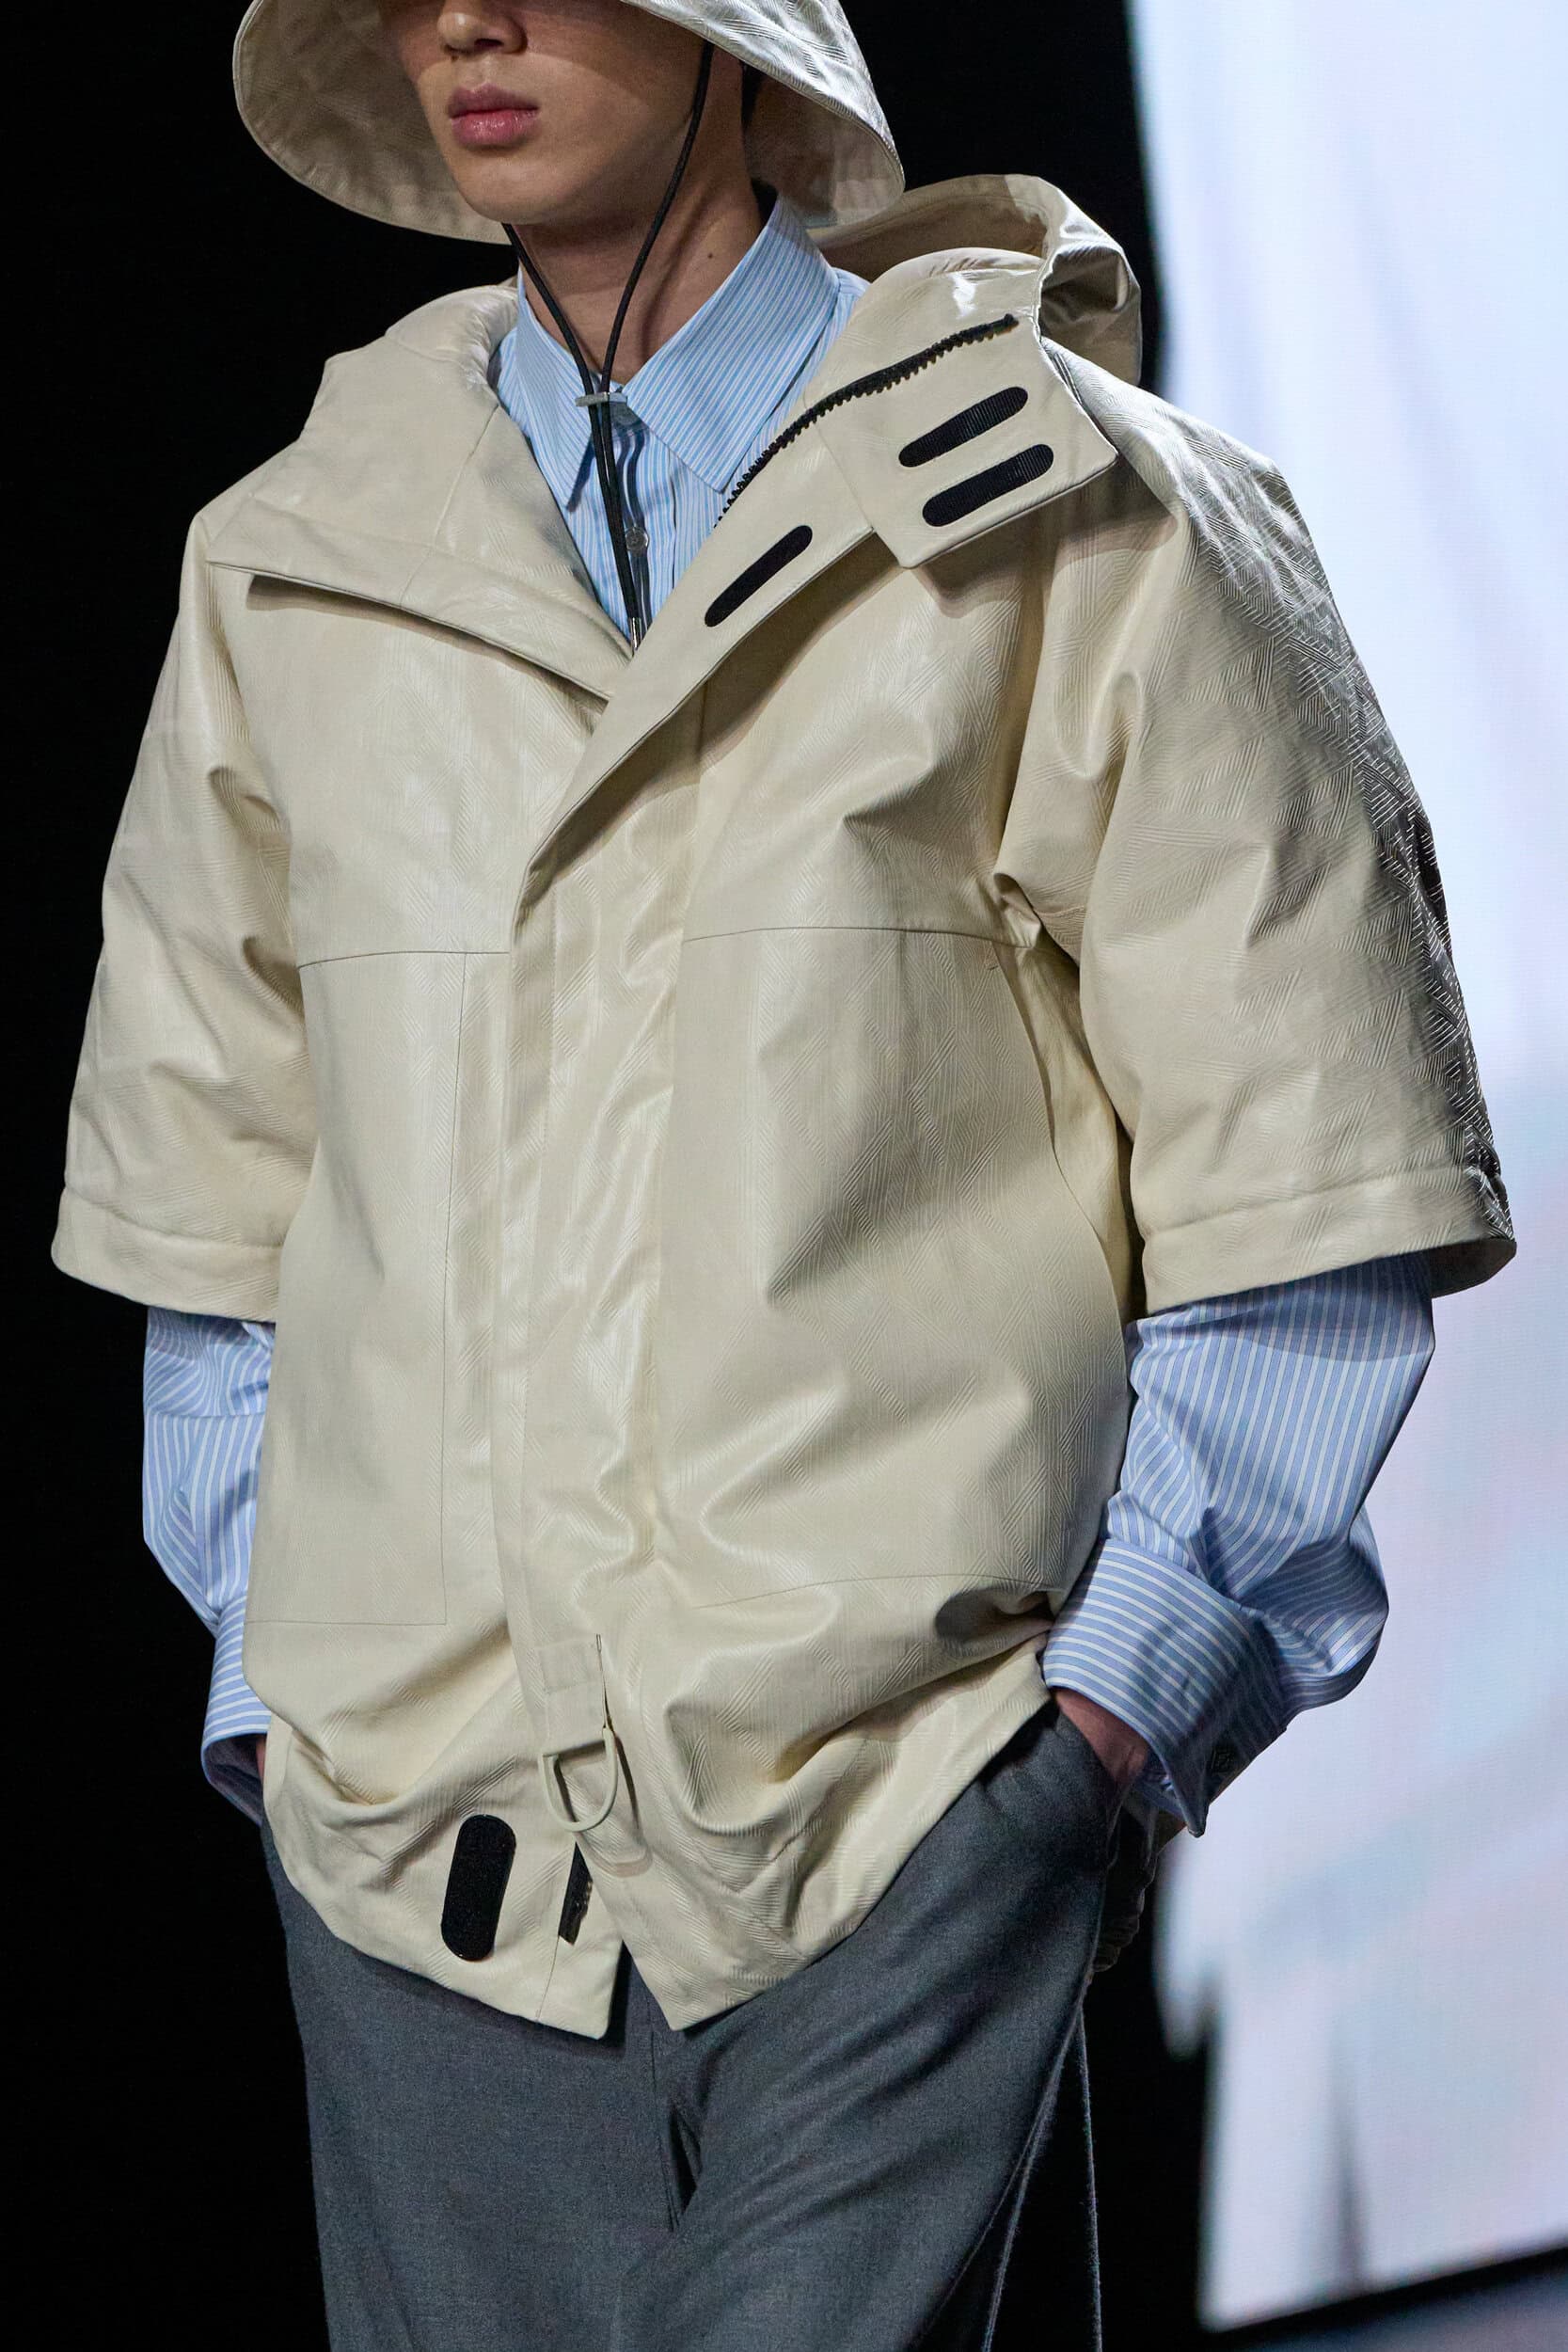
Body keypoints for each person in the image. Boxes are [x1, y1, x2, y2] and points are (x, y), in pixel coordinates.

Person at [53, 3, 1515, 2346]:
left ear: (737, 41)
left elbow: (1312, 1166)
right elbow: (210, 1193)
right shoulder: (293, 565)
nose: (465, 22)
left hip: (910, 1821)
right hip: (426, 1870)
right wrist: (291, 1690)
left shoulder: (1081, 510)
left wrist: (1095, 1736)